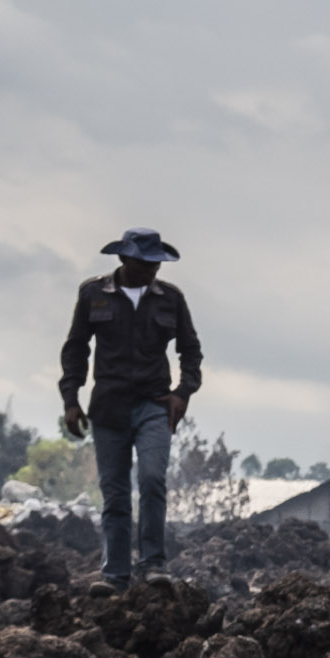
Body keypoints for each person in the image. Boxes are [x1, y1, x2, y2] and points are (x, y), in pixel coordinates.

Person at [56, 228, 203, 587]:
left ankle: (154, 564)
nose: (152, 270)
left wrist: (182, 393)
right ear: (124, 259)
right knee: (116, 493)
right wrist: (71, 400)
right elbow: (76, 348)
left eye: (156, 264)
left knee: (152, 479)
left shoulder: (170, 298)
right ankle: (116, 576)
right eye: (144, 263)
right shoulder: (94, 293)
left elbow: (190, 350)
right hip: (108, 410)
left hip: (154, 406)